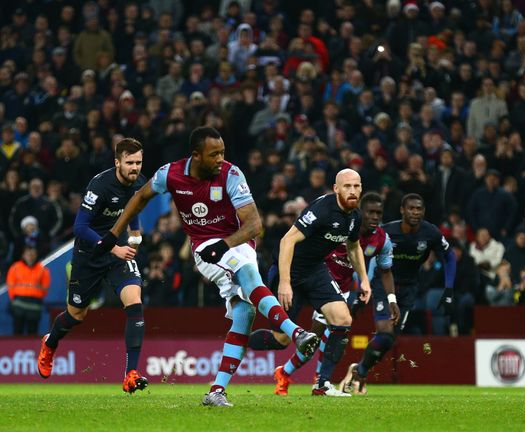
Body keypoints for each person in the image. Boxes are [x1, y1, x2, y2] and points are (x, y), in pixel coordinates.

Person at [94, 127, 319, 407]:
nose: (220, 159)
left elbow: (254, 225)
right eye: (214, 154)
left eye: (222, 152)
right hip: (203, 248)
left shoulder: (231, 174)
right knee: (249, 277)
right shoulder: (171, 174)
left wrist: (225, 245)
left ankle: (216, 391)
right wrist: (114, 234)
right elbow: (139, 197)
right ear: (196, 156)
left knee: (244, 312)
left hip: (236, 243)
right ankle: (296, 333)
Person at [36, 138, 148, 393]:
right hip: (90, 254)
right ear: (117, 162)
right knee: (77, 315)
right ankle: (50, 343)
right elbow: (80, 227)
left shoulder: (139, 182)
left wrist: (135, 234)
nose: (135, 167)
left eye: (138, 162)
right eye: (129, 162)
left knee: (135, 302)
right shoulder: (99, 186)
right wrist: (115, 247)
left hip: (118, 253)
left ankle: (131, 373)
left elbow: (134, 207)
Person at [247, 168, 371, 397]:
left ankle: (322, 384)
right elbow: (287, 241)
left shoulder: (355, 217)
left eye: (356, 186)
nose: (352, 191)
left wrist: (363, 279)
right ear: (336, 189)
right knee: (282, 340)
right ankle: (242, 340)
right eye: (347, 186)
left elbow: (354, 247)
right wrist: (285, 282)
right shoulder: (322, 209)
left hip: (315, 270)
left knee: (343, 319)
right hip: (290, 271)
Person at [261, 192, 396, 396]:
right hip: (315, 280)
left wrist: (365, 285)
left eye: (379, 213)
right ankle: (291, 372)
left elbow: (375, 265)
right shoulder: (340, 224)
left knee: (330, 332)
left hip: (341, 288)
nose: (374, 217)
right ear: (361, 212)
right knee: (294, 339)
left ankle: (313, 380)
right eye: (370, 212)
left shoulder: (380, 239)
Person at [339, 193, 455, 394]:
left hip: (409, 290)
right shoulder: (386, 232)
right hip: (383, 285)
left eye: (419, 209)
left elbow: (449, 256)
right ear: (402, 210)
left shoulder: (430, 233)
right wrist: (360, 288)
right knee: (385, 332)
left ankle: (359, 370)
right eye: (411, 208)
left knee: (389, 339)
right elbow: (365, 257)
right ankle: (359, 374)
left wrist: (449, 288)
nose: (415, 212)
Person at [7, 246, 50, 335]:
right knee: (17, 332)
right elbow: (10, 286)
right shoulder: (15, 267)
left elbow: (45, 289)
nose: (30, 256)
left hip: (35, 305)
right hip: (18, 304)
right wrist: (14, 301)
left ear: (36, 255)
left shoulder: (43, 270)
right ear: (23, 255)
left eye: (33, 254)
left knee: (32, 333)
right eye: (28, 254)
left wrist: (38, 291)